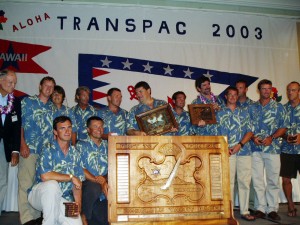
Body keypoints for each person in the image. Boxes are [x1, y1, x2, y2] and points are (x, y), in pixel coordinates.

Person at [28, 116, 84, 225]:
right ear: (55, 132)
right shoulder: (47, 148)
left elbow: (77, 185)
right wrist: (71, 177)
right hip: (40, 194)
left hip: (63, 198)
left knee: (76, 223)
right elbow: (45, 176)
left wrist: (78, 206)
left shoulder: (76, 153)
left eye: (69, 127)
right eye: (62, 128)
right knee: (52, 186)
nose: (67, 131)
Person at [248, 79, 288, 221]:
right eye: (264, 88)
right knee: (257, 180)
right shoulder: (251, 107)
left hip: (273, 148)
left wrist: (272, 137)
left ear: (271, 90)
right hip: (255, 149)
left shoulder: (279, 107)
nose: (266, 91)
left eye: (268, 88)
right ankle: (260, 208)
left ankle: (272, 209)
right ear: (259, 90)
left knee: (272, 180)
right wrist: (253, 138)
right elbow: (247, 127)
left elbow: (284, 126)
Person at [19, 76, 56, 225]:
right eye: (46, 85)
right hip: (30, 148)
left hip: (45, 152)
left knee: (39, 184)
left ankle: (35, 217)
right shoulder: (28, 102)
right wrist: (22, 144)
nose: (48, 89)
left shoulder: (53, 107)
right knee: (25, 183)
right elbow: (20, 125)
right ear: (40, 86)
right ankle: (26, 218)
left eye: (52, 87)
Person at [216, 86, 255, 221]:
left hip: (244, 151)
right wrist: (224, 147)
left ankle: (244, 211)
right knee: (229, 183)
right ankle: (229, 212)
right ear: (226, 97)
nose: (232, 97)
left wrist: (240, 144)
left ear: (238, 97)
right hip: (227, 152)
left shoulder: (244, 112)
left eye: (235, 95)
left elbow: (250, 131)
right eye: (230, 95)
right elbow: (216, 133)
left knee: (244, 182)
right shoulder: (219, 113)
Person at [76, 116, 108, 225]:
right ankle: (83, 215)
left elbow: (114, 166)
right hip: (88, 182)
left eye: (101, 127)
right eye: (95, 127)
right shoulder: (80, 145)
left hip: (106, 181)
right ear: (88, 130)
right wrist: (97, 180)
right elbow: (79, 168)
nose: (99, 129)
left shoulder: (108, 145)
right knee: (94, 187)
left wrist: (105, 179)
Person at [0, 70, 21, 216]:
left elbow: (16, 127)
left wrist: (15, 150)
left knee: (2, 181)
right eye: (10, 82)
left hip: (4, 147)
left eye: (14, 83)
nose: (13, 86)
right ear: (1, 81)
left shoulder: (15, 102)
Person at [280, 81, 300, 217]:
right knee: (286, 180)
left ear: (299, 92)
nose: (290, 92)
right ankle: (291, 205)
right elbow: (278, 128)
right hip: (287, 149)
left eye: (293, 90)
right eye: (288, 90)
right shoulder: (283, 109)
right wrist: (285, 136)